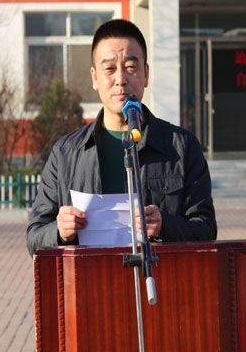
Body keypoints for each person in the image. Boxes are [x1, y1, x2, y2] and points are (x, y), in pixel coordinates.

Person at [26, 19, 216, 255]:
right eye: (109, 69)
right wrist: (59, 231)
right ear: (95, 77)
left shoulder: (181, 146)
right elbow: (34, 236)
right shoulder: (66, 153)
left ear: (145, 74)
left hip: (158, 285)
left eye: (130, 67)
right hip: (91, 285)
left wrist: (165, 225)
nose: (121, 79)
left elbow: (206, 228)